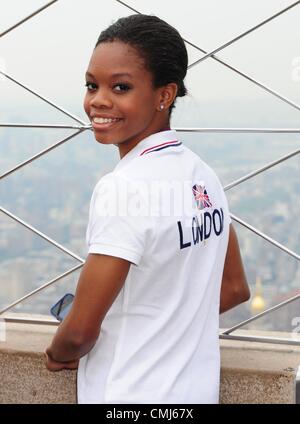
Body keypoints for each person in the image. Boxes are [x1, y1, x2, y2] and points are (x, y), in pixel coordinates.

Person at [45, 14, 250, 404]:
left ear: (164, 95)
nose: (98, 100)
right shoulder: (204, 177)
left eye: (120, 86)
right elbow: (235, 289)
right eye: (92, 85)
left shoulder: (123, 188)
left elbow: (78, 333)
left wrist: (58, 353)